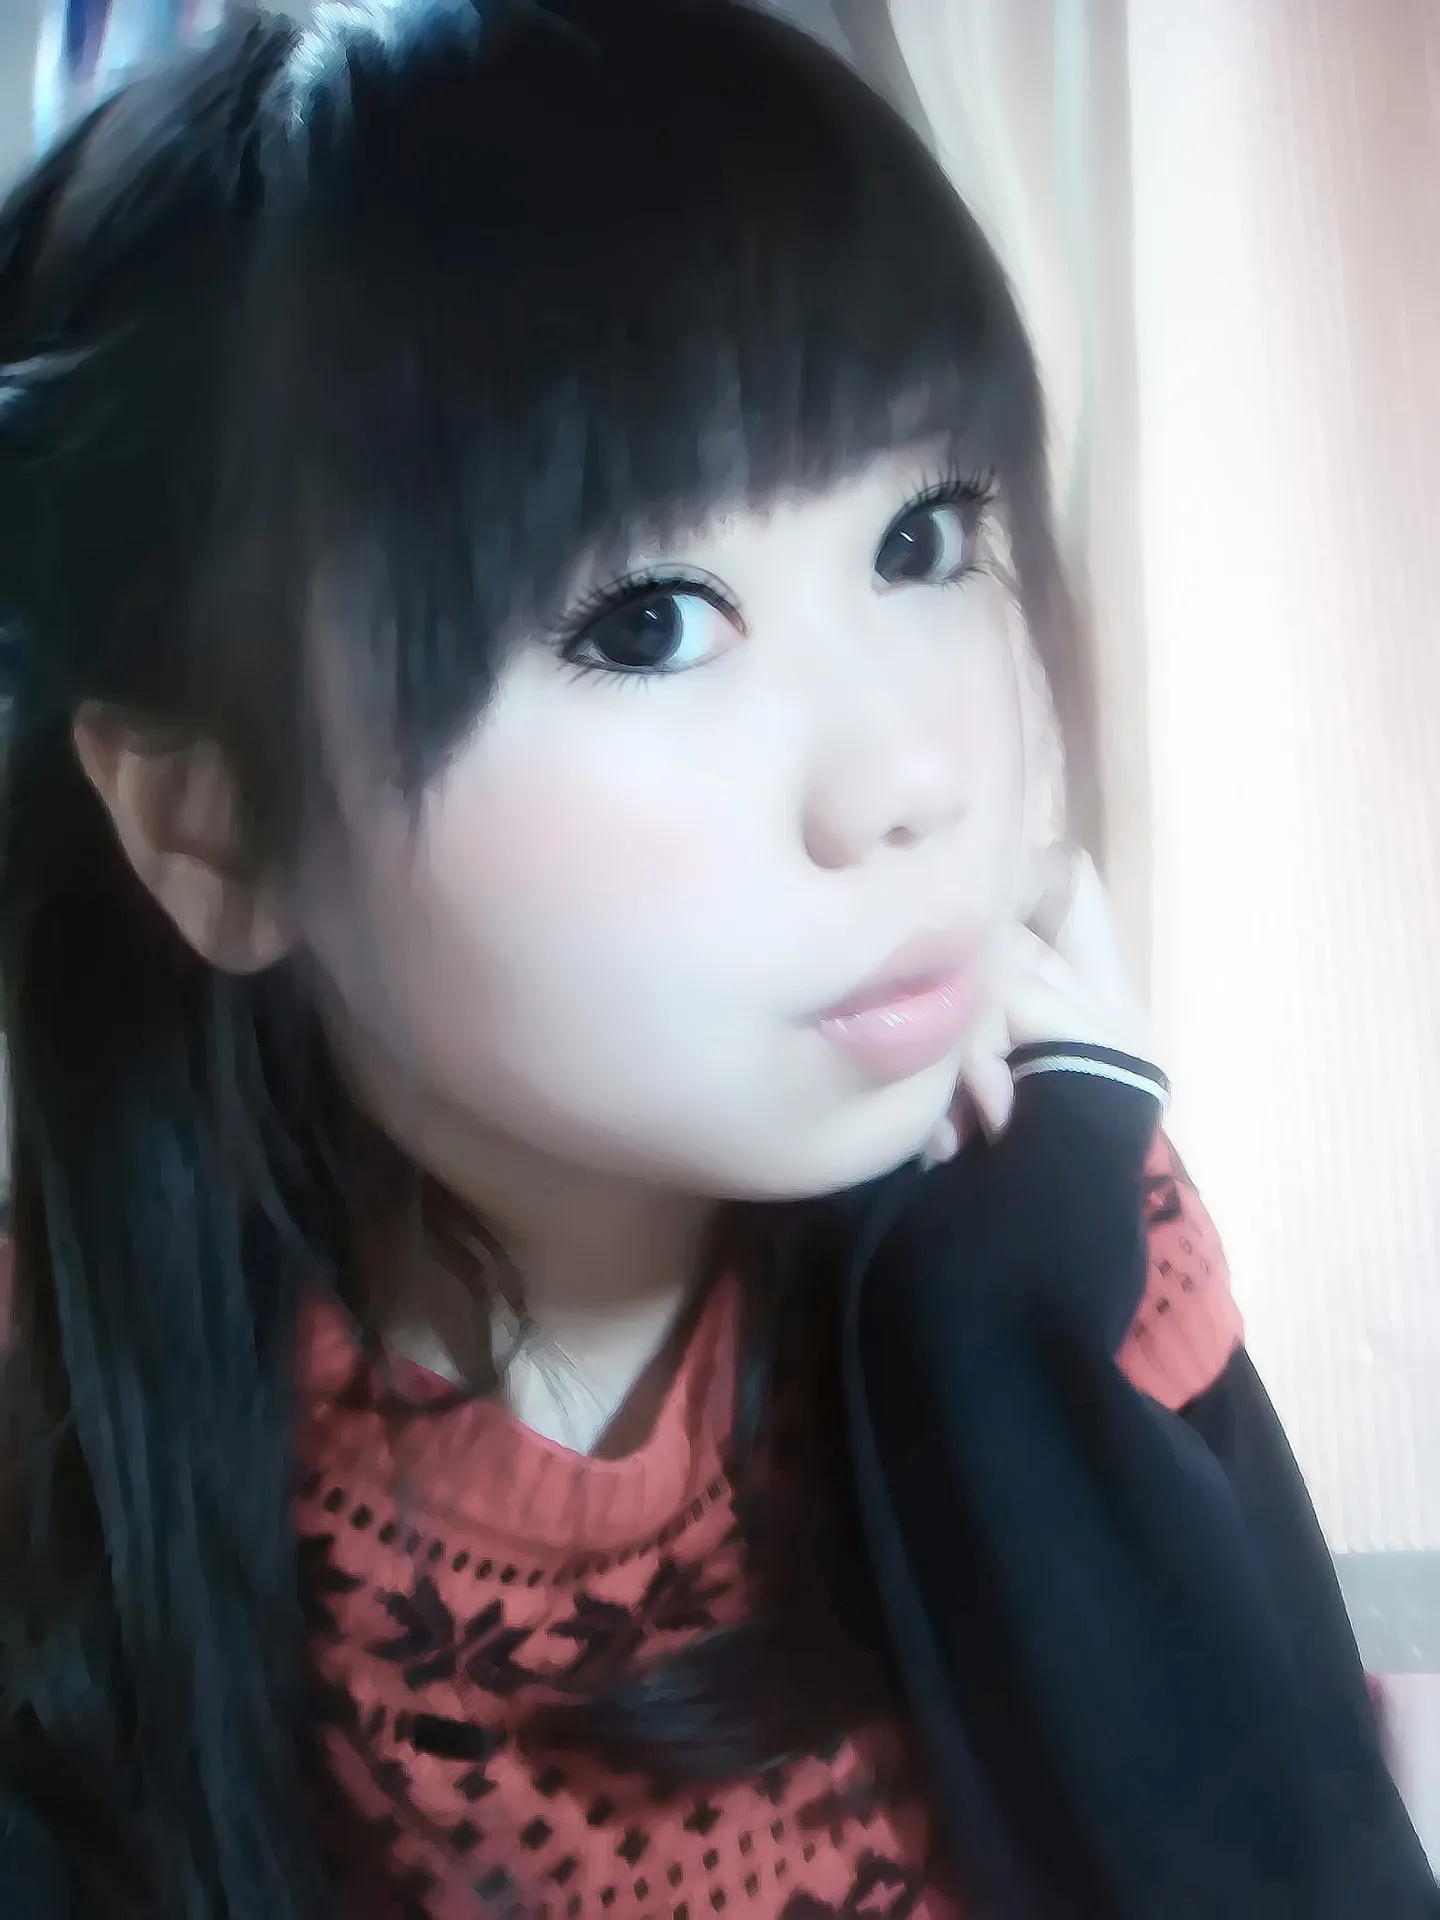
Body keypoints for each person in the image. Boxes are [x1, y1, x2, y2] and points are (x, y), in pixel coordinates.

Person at [0, 3, 1430, 1916]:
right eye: (650, 624)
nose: (911, 778)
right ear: (218, 830)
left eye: (924, 537)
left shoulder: (1056, 1197)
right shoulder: (72, 1431)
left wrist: (1015, 1306)